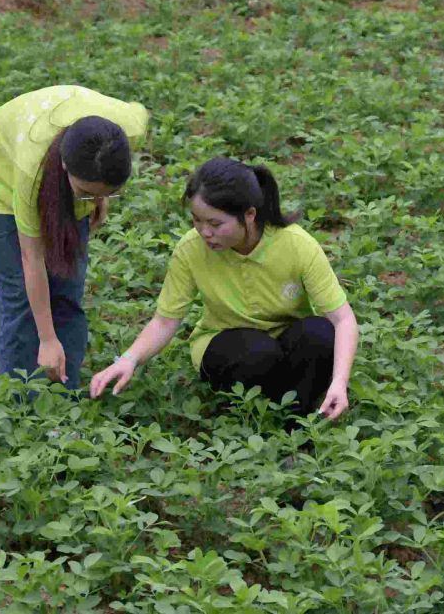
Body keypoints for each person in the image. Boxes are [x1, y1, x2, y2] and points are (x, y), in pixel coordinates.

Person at [90, 156, 358, 422]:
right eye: (197, 220)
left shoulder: (296, 245)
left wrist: (339, 381)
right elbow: (165, 320)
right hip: (229, 344)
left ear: (249, 215)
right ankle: (287, 405)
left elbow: (343, 319)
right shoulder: (191, 249)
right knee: (258, 353)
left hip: (286, 339)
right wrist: (128, 359)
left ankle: (296, 418)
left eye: (216, 224)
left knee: (320, 333)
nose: (205, 232)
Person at [0, 85, 149, 388]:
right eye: (87, 193)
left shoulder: (129, 128)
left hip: (68, 167)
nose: (96, 199)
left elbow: (102, 171)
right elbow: (31, 258)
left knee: (67, 283)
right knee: (20, 294)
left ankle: (66, 390)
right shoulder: (32, 170)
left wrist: (97, 196)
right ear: (65, 165)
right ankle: (23, 403)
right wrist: (47, 338)